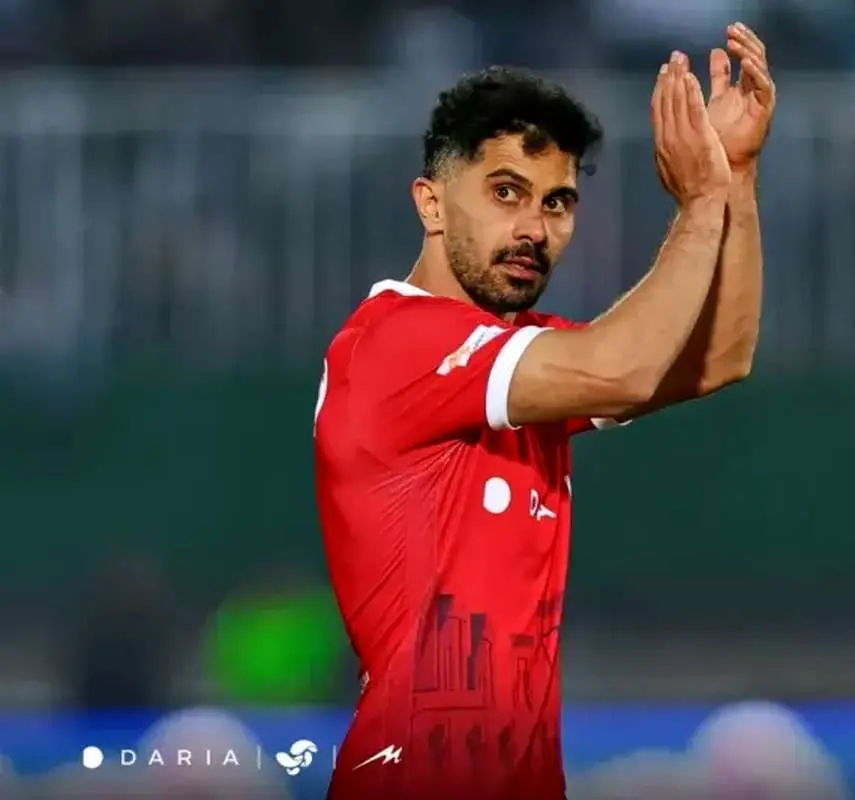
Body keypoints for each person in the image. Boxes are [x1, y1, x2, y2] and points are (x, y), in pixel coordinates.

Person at [315, 23, 775, 800]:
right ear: (431, 203)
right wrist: (700, 202)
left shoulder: (516, 358)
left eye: (557, 203)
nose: (534, 228)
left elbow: (721, 354)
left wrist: (735, 174)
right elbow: (626, 368)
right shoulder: (392, 345)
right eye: (506, 193)